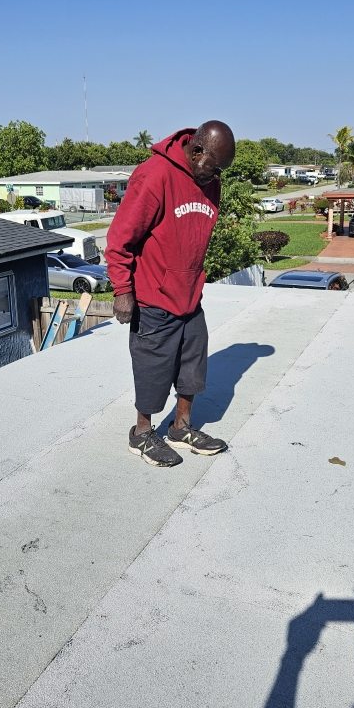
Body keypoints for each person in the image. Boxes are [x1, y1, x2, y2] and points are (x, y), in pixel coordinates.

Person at [105, 121, 236, 467]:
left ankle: (181, 428)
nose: (215, 176)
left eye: (221, 170)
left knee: (193, 366)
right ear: (196, 151)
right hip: (152, 297)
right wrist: (123, 290)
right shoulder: (155, 175)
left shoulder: (210, 182)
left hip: (190, 296)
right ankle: (142, 433)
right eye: (213, 167)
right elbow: (119, 240)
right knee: (152, 368)